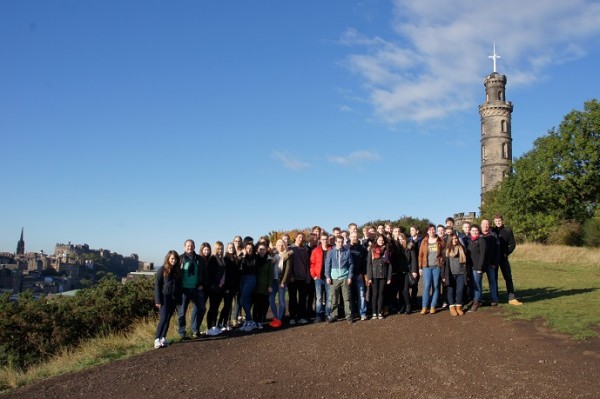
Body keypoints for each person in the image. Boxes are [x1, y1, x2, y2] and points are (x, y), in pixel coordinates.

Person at [178, 239, 207, 339]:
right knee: (181, 313)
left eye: (191, 246)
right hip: (184, 290)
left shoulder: (199, 259)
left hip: (196, 289)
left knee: (202, 309)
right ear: (184, 247)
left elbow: (204, 273)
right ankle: (182, 332)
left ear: (194, 247)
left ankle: (195, 329)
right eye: (188, 246)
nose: (190, 247)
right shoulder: (180, 259)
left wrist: (202, 284)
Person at [492, 214, 523, 305]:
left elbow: (512, 244)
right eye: (496, 221)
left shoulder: (508, 231)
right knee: (494, 278)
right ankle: (495, 297)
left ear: (502, 221)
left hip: (503, 258)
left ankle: (511, 298)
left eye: (499, 221)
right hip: (494, 258)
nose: (498, 223)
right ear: (494, 221)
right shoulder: (492, 231)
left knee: (508, 277)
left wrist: (506, 253)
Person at [154, 250, 182, 348]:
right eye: (172, 259)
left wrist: (179, 300)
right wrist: (157, 300)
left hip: (173, 298)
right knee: (164, 317)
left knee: (168, 318)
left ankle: (163, 338)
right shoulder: (162, 269)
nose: (174, 261)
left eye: (175, 259)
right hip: (164, 297)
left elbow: (179, 286)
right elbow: (157, 285)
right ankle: (157, 339)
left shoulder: (177, 270)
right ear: (168, 259)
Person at [325, 235, 355, 323]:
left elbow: (351, 265)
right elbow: (327, 265)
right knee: (334, 298)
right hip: (334, 278)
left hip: (345, 277)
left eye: (342, 242)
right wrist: (327, 276)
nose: (340, 243)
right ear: (335, 242)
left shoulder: (347, 252)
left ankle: (348, 315)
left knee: (347, 298)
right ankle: (334, 315)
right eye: (338, 242)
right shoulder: (331, 252)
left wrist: (350, 277)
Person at [418, 224, 444, 315]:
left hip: (437, 267)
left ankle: (433, 306)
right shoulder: (424, 241)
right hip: (427, 267)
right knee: (427, 286)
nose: (432, 231)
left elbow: (443, 253)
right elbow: (420, 255)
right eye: (430, 230)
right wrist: (420, 267)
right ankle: (424, 307)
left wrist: (441, 261)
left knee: (436, 286)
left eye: (433, 229)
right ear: (427, 231)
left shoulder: (440, 241)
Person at [367, 235, 392, 319]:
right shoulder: (372, 250)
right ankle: (374, 312)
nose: (381, 241)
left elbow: (389, 265)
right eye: (379, 240)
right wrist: (369, 277)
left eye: (382, 240)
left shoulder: (387, 250)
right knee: (374, 294)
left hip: (383, 274)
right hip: (374, 275)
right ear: (376, 240)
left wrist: (389, 277)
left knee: (381, 294)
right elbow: (369, 264)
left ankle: (379, 312)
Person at [442, 235, 467, 316]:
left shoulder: (462, 248)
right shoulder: (446, 250)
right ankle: (452, 308)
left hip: (461, 273)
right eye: (453, 239)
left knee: (460, 290)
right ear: (450, 240)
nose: (455, 240)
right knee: (450, 290)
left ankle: (458, 307)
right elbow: (443, 264)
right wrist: (443, 276)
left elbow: (466, 263)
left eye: (456, 238)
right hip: (450, 274)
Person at [288, 233, 310, 325]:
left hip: (303, 277)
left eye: (302, 238)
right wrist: (291, 275)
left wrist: (308, 276)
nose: (301, 239)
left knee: (302, 299)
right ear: (295, 238)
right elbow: (289, 264)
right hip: (293, 278)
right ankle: (292, 317)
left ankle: (301, 316)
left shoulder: (305, 249)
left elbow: (307, 264)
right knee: (292, 298)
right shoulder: (290, 249)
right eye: (299, 237)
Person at [269, 239, 292, 327]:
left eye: (282, 245)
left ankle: (279, 319)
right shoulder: (274, 254)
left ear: (285, 246)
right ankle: (276, 317)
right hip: (273, 280)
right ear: (276, 246)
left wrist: (283, 281)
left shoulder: (287, 255)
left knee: (281, 300)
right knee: (271, 300)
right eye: (279, 245)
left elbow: (287, 270)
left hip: (281, 280)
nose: (280, 246)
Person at [217, 242, 240, 331]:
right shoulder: (225, 259)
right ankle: (220, 323)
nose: (231, 248)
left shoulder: (235, 258)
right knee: (227, 306)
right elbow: (224, 275)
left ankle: (226, 323)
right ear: (227, 248)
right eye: (229, 247)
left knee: (230, 306)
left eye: (232, 247)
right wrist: (226, 288)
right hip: (227, 286)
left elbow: (237, 273)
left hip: (234, 285)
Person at [346, 230, 368, 321]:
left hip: (359, 275)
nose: (355, 238)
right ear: (349, 237)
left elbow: (365, 262)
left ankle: (362, 313)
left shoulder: (362, 248)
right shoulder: (346, 248)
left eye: (356, 237)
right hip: (348, 276)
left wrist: (362, 273)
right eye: (353, 236)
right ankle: (353, 313)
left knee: (361, 295)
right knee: (350, 296)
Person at [310, 232, 331, 322]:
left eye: (326, 239)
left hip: (328, 277)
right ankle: (319, 315)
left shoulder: (332, 249)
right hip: (318, 277)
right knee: (319, 297)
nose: (324, 241)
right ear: (320, 240)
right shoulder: (315, 250)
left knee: (329, 297)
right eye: (323, 239)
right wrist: (314, 275)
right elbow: (312, 264)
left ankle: (327, 314)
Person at [206, 241, 226, 336]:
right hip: (214, 288)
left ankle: (214, 326)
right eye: (218, 248)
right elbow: (210, 274)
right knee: (212, 307)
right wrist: (216, 284)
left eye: (221, 248)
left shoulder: (221, 259)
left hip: (220, 288)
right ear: (215, 249)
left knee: (216, 307)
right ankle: (209, 327)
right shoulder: (213, 259)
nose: (220, 250)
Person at [466, 224, 487, 312]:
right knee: (472, 284)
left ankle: (476, 303)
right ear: (470, 231)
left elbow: (483, 254)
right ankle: (475, 299)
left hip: (477, 267)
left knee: (477, 285)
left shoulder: (481, 240)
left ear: (479, 231)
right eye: (473, 230)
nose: (474, 232)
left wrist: (480, 267)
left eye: (476, 231)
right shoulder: (469, 241)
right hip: (470, 266)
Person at [239, 242, 258, 332]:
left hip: (250, 278)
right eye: (247, 248)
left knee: (242, 300)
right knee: (246, 300)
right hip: (242, 278)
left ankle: (250, 320)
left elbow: (250, 267)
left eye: (251, 248)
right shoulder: (242, 257)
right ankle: (248, 321)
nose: (249, 250)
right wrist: (242, 257)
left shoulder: (255, 258)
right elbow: (239, 267)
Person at [397, 233, 418, 314]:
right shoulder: (398, 248)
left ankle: (409, 306)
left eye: (402, 239)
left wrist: (414, 271)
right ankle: (403, 306)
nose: (401, 241)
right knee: (401, 290)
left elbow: (413, 259)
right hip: (399, 272)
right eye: (399, 239)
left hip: (407, 271)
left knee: (405, 290)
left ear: (405, 239)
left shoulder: (410, 247)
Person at [253, 242, 272, 328]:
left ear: (266, 250)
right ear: (257, 250)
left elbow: (270, 274)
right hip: (256, 285)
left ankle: (261, 320)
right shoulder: (255, 259)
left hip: (265, 285)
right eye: (260, 249)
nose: (262, 251)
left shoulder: (269, 260)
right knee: (256, 304)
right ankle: (255, 320)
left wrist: (270, 285)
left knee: (264, 304)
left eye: (263, 249)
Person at [481, 219, 500, 306]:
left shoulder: (494, 235)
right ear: (481, 225)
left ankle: (494, 299)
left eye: (487, 224)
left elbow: (497, 250)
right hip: (480, 263)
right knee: (478, 282)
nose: (486, 226)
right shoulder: (478, 234)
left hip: (491, 262)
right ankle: (479, 299)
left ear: (489, 225)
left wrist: (495, 262)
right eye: (484, 224)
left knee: (492, 281)